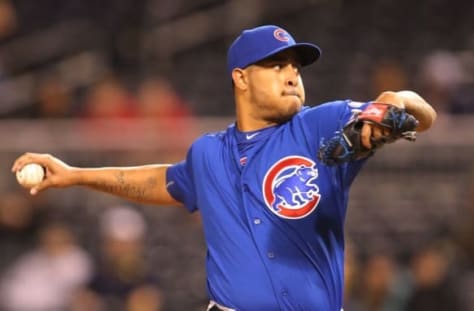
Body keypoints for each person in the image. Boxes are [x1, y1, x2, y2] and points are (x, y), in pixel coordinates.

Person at [11, 25, 436, 311]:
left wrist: (393, 107)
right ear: (241, 78)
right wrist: (75, 174)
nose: (292, 75)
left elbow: (421, 113)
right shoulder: (207, 154)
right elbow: (163, 182)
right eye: (276, 64)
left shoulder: (320, 126)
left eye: (296, 67)